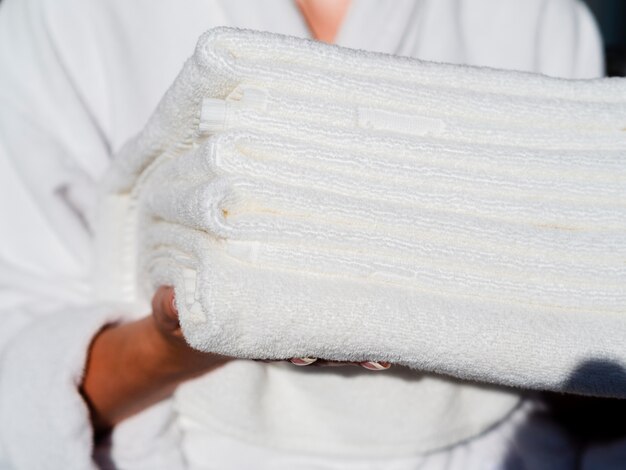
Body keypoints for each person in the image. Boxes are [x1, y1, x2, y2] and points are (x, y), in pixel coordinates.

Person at [0, 0, 617, 469]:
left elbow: (572, 309)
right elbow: (21, 381)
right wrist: (178, 340)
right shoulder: (65, 17)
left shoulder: (538, 15)